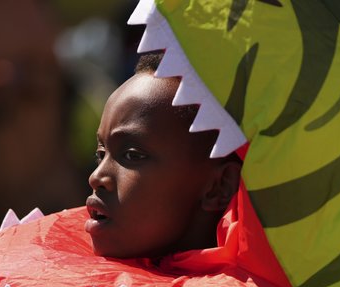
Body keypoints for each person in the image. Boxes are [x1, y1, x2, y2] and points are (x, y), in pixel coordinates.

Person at [86, 52, 242, 260]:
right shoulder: (46, 281)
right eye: (101, 153)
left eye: (132, 155)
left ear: (218, 186)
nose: (96, 178)